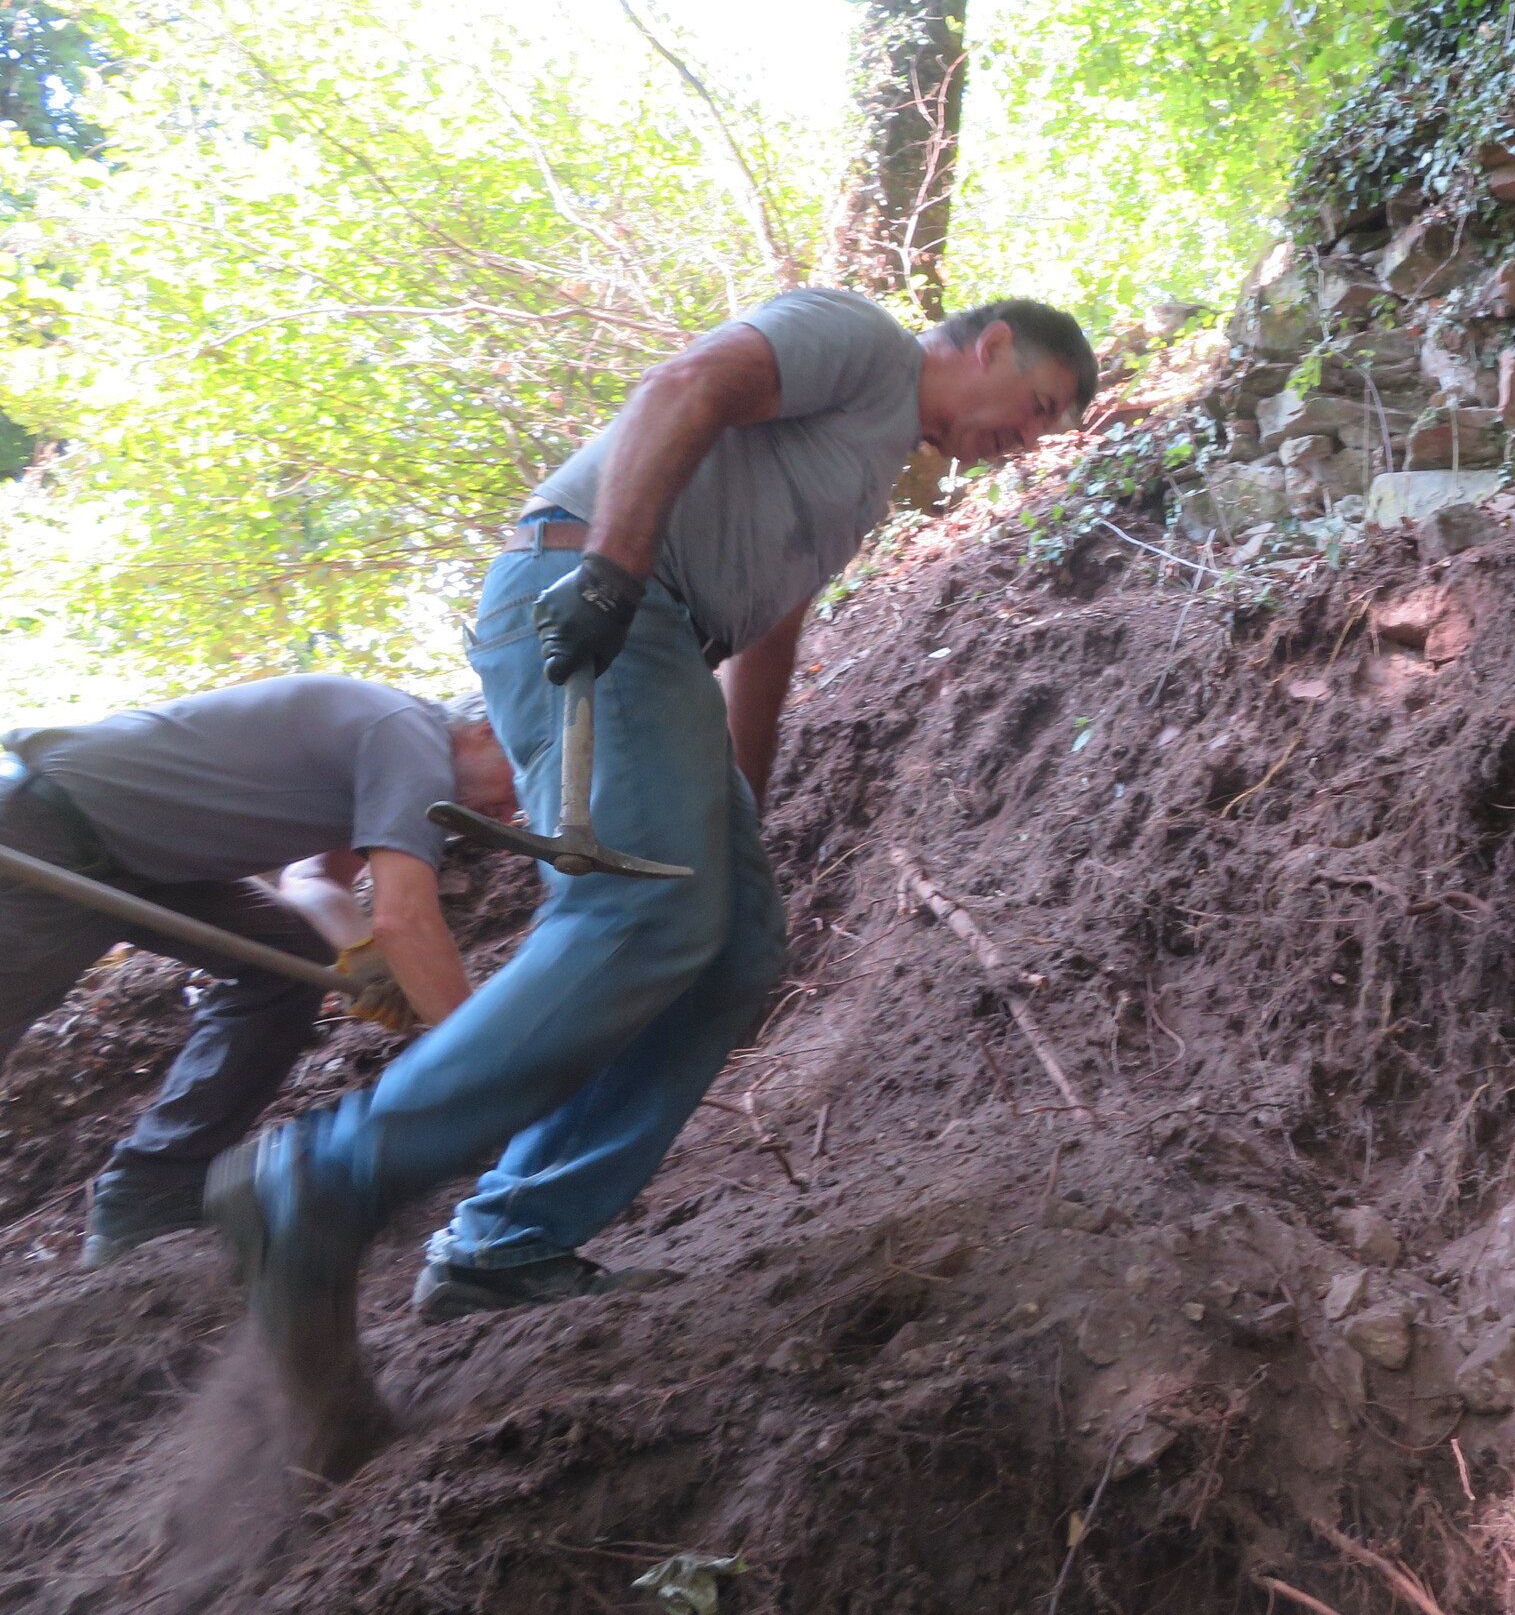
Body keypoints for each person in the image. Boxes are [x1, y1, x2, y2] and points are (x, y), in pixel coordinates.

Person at [208, 292, 1093, 1456]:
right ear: (989, 347)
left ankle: (507, 1242)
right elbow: (687, 386)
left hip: (665, 641)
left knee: (732, 949)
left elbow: (771, 631)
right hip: (600, 599)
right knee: (644, 908)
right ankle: (325, 1178)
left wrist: (741, 813)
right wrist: (614, 571)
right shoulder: (863, 343)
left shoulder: (865, 470)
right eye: (1037, 408)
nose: (1025, 441)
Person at [0, 676, 516, 1265]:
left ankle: (152, 1189)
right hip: (46, 832)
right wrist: (499, 1067)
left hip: (142, 861)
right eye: (519, 781)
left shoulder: (394, 751)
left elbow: (313, 878)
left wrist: (366, 957)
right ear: (487, 733)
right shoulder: (408, 734)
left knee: (287, 960)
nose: (510, 812)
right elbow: (406, 918)